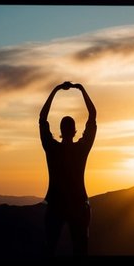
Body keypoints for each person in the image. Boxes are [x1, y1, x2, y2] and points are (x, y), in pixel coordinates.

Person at [39, 81, 97, 256]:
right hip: (78, 204)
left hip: (56, 205)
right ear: (74, 130)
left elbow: (42, 119)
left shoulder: (52, 148)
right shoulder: (81, 149)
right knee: (80, 251)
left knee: (50, 249)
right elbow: (92, 115)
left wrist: (56, 90)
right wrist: (81, 89)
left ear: (61, 131)